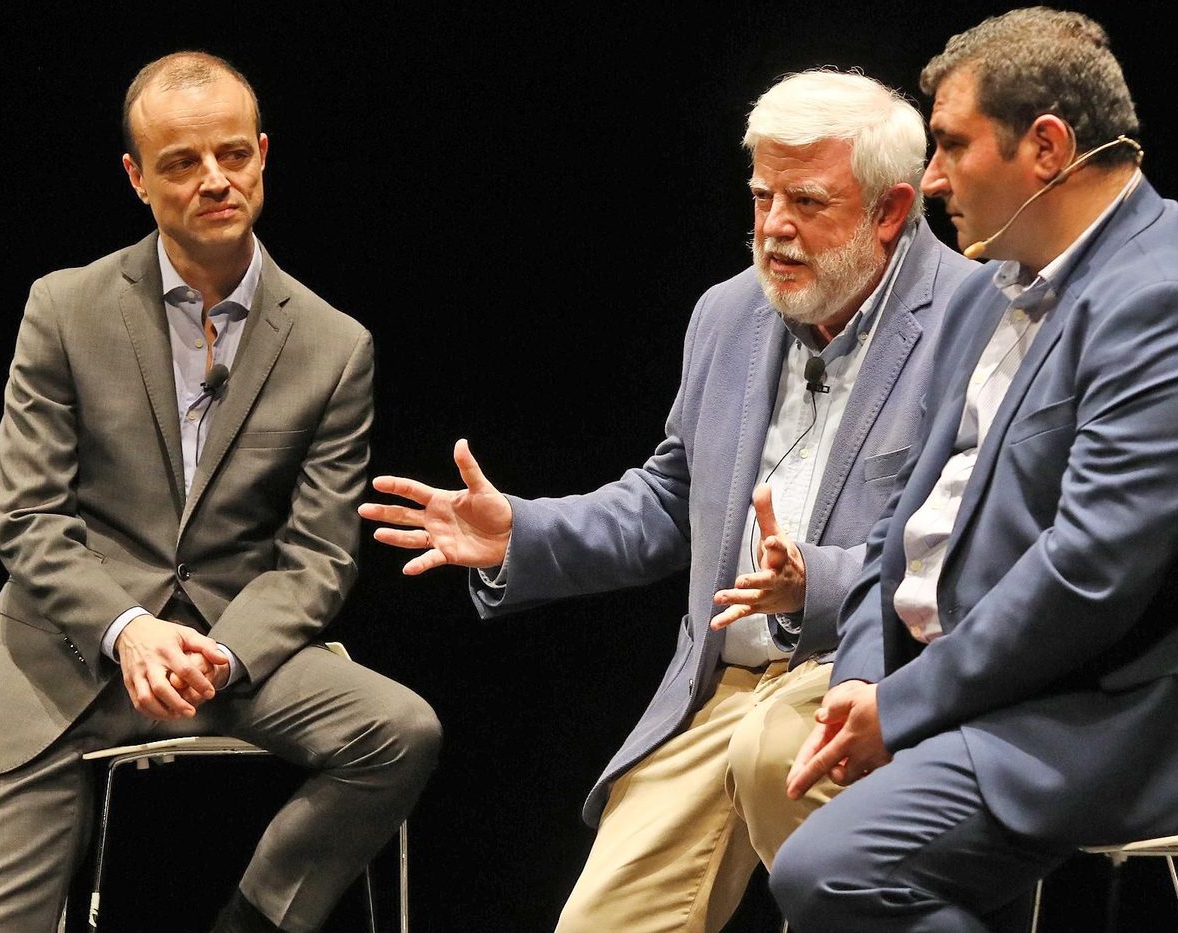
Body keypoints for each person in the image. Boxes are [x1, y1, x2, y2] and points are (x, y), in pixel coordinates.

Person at [360, 70, 976, 933]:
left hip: (868, 675)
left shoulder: (975, 319)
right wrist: (522, 534)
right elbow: (671, 498)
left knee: (803, 812)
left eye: (805, 202)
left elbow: (974, 542)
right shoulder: (729, 315)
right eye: (761, 196)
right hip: (719, 686)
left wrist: (820, 581)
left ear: (889, 210)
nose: (773, 230)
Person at [769, 10, 1178, 932]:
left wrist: (903, 704)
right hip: (988, 688)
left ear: (1045, 146)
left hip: (1112, 717)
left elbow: (1087, 577)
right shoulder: (997, 286)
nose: (929, 180)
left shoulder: (1172, 309)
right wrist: (860, 671)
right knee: (788, 786)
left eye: (952, 146)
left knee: (829, 871)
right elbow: (906, 514)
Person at [0, 52, 440, 933]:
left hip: (227, 649)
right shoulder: (63, 308)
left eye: (232, 155)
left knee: (400, 730)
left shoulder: (334, 345)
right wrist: (128, 628)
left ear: (262, 154)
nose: (214, 180)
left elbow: (320, 557)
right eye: (182, 162)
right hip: (66, 650)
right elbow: (25, 517)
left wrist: (220, 653)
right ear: (137, 178)